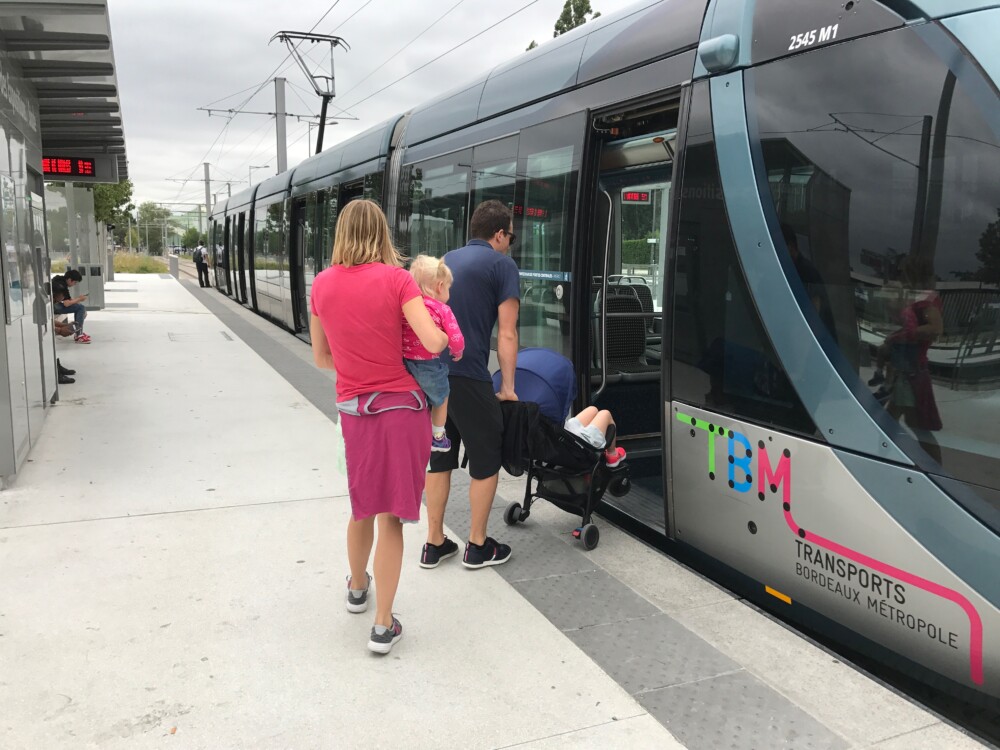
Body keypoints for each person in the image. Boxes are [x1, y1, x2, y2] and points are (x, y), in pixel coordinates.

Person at [310, 199, 448, 655]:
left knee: (361, 506)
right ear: (382, 233)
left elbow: (321, 358)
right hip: (402, 411)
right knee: (393, 517)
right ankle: (383, 626)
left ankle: (355, 587)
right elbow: (430, 342)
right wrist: (448, 336)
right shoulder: (398, 279)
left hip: (354, 411)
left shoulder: (322, 286)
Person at [423, 199, 520, 570]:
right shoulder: (502, 265)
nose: (510, 242)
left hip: (434, 375)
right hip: (468, 375)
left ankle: (434, 543)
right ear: (498, 234)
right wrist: (507, 387)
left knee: (440, 456)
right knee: (487, 451)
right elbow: (507, 333)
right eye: (509, 235)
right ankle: (477, 545)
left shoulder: (446, 259)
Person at [402, 255, 465, 453]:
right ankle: (438, 436)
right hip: (427, 365)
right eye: (448, 287)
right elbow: (455, 336)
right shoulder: (442, 309)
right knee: (442, 395)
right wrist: (458, 351)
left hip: (403, 363)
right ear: (439, 286)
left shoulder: (409, 306)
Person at [51, 269, 90, 343]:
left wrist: (80, 307)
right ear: (69, 280)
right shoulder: (61, 286)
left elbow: (69, 300)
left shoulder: (60, 281)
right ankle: (79, 335)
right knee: (80, 308)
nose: (74, 284)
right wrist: (79, 299)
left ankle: (78, 332)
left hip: (52, 305)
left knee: (80, 308)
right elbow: (67, 303)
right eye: (75, 282)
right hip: (52, 306)